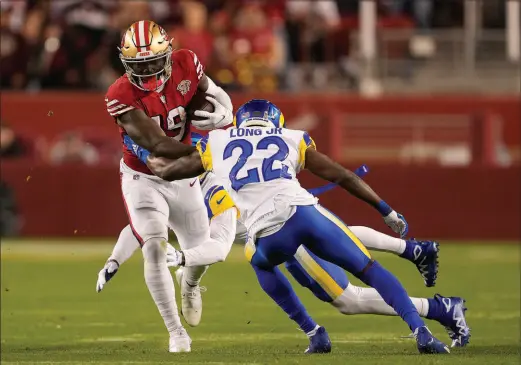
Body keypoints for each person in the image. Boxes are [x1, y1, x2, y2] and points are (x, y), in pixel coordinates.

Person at [132, 99, 456, 354]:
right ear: (276, 123)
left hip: (265, 233)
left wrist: (143, 155)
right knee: (366, 270)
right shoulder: (291, 137)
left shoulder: (215, 142)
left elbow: (170, 170)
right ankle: (421, 327)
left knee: (268, 266)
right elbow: (342, 175)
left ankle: (314, 331)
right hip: (300, 212)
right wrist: (385, 209)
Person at [97, 168, 469, 350]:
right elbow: (141, 229)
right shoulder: (174, 192)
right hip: (282, 216)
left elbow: (219, 246)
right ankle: (411, 250)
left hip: (274, 231)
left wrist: (181, 259)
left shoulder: (210, 191)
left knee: (347, 300)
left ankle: (440, 310)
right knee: (338, 237)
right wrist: (115, 261)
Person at [101, 20, 233, 353]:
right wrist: (206, 150)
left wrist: (224, 112)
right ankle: (176, 332)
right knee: (155, 246)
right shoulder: (119, 94)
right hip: (143, 177)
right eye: (138, 66)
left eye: (151, 63)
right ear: (125, 64)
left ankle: (190, 284)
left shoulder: (187, 62)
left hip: (185, 177)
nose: (146, 72)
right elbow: (157, 146)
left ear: (168, 54)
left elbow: (213, 96)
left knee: (200, 253)